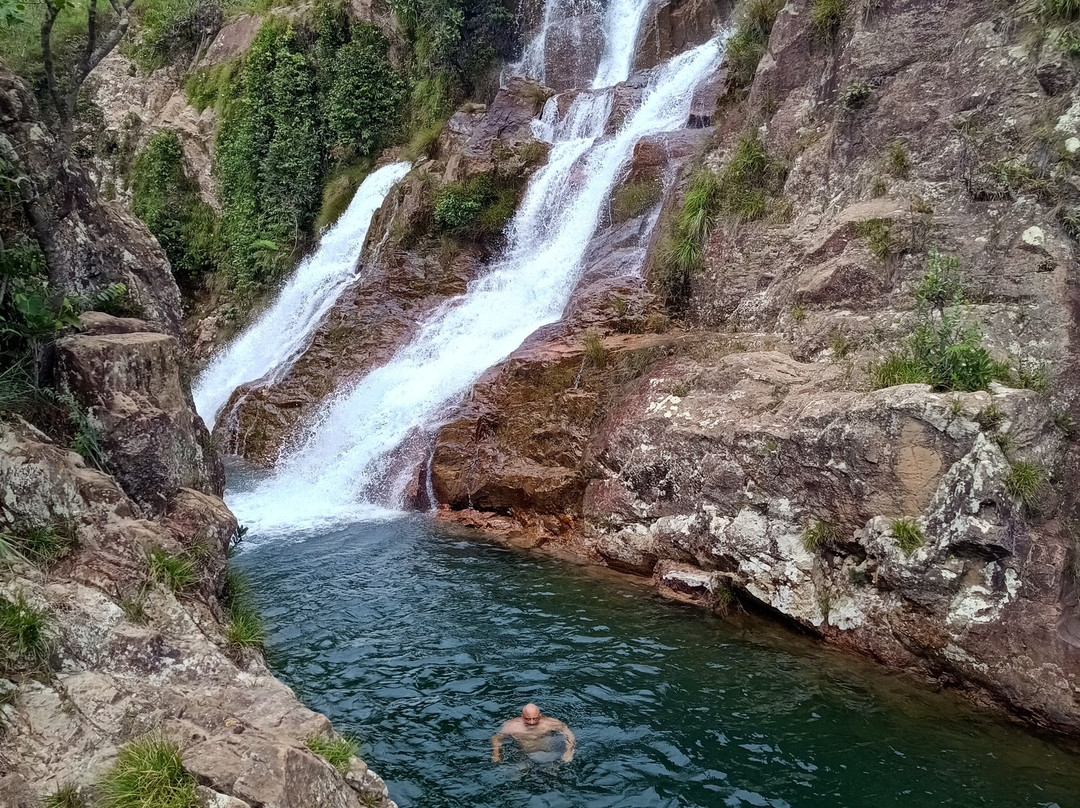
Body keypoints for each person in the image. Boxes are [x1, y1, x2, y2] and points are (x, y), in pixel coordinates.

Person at [491, 703, 575, 763]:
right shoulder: (512, 725)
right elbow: (496, 738)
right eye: (527, 719)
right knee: (517, 776)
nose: (531, 722)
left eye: (535, 718)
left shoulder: (550, 724)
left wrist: (569, 752)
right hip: (523, 754)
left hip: (546, 755)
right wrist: (496, 754)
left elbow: (568, 734)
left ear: (540, 715)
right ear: (522, 716)